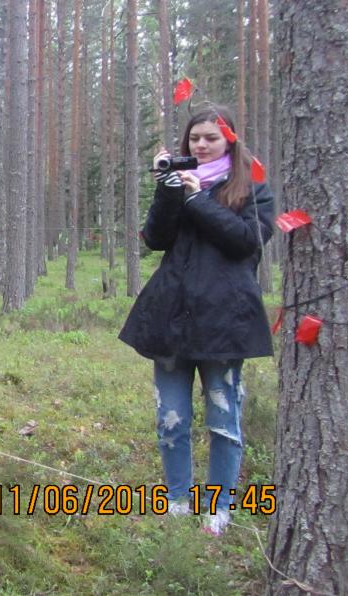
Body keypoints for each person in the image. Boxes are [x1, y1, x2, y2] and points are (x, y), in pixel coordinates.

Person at [119, 105, 273, 537]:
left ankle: (219, 509)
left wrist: (197, 199)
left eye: (211, 138)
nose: (201, 145)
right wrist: (168, 192)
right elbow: (156, 239)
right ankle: (177, 502)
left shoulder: (252, 186)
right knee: (171, 418)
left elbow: (246, 241)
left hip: (227, 321)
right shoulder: (180, 180)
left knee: (224, 421)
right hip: (172, 318)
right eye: (194, 138)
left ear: (230, 141)